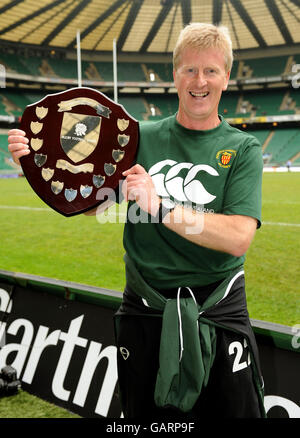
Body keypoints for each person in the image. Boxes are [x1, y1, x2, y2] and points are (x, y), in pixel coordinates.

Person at [8, 23, 265, 419]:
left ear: (226, 77)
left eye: (211, 70)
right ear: (174, 74)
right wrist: (36, 167)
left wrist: (159, 205)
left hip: (219, 313)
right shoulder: (137, 136)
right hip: (145, 311)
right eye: (189, 70)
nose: (199, 81)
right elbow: (94, 203)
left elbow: (238, 238)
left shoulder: (243, 148)